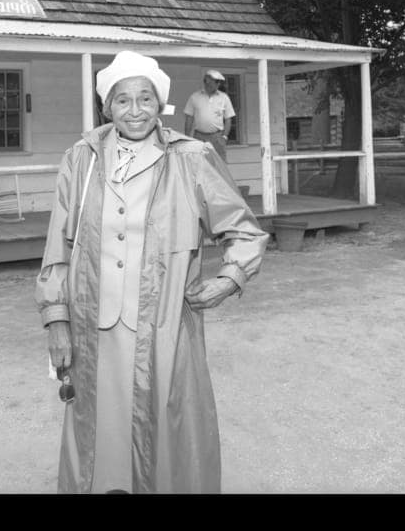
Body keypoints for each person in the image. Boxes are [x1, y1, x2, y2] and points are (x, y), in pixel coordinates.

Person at [35, 51, 269, 494]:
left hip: (163, 325)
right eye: (123, 100)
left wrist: (230, 277)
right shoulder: (80, 160)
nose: (135, 109)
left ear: (160, 102)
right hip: (95, 326)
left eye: (146, 98)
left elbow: (244, 230)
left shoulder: (192, 157)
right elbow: (58, 247)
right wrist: (57, 320)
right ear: (108, 107)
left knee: (166, 423)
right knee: (98, 429)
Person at [183, 70, 236, 161]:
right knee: (199, 164)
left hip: (217, 137)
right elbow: (189, 118)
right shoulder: (195, 97)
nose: (218, 84)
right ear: (207, 81)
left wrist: (224, 137)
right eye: (216, 82)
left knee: (219, 165)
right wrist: (187, 138)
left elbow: (228, 118)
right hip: (199, 137)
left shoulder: (224, 97)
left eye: (219, 82)